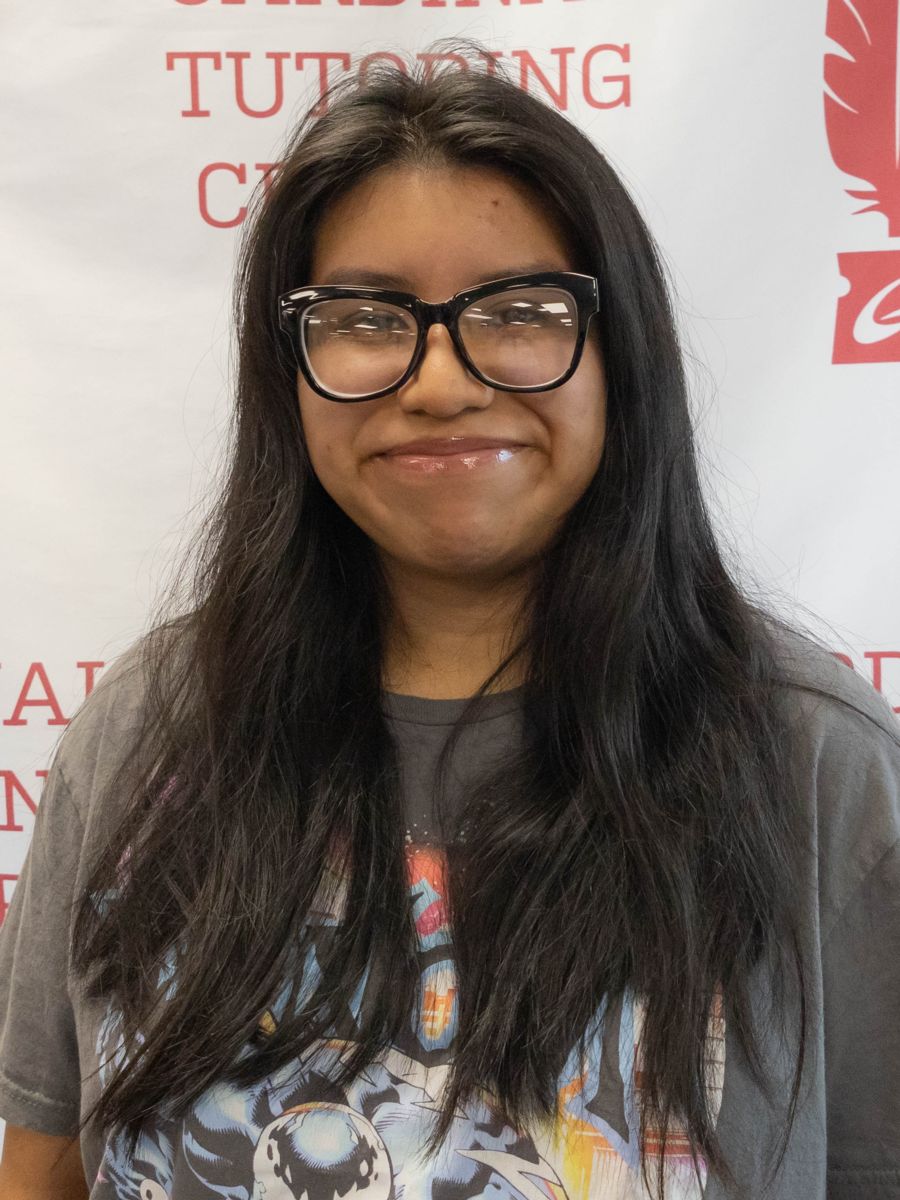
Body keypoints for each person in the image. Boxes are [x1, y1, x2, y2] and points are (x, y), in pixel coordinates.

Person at [1, 44, 898, 1200]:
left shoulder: (820, 771)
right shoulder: (146, 734)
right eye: (365, 317)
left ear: (622, 356)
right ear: (289, 371)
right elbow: (44, 1167)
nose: (439, 382)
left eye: (521, 311)